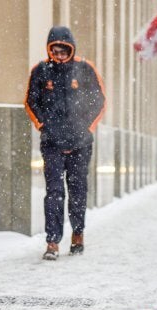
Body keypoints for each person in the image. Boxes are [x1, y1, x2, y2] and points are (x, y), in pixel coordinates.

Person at [24, 26, 106, 260]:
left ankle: (78, 234)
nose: (59, 55)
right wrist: (44, 127)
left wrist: (85, 129)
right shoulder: (41, 71)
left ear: (71, 49)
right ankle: (52, 241)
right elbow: (31, 101)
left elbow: (99, 101)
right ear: (49, 50)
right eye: (55, 51)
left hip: (80, 143)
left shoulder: (85, 69)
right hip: (52, 143)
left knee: (78, 190)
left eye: (64, 51)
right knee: (54, 192)